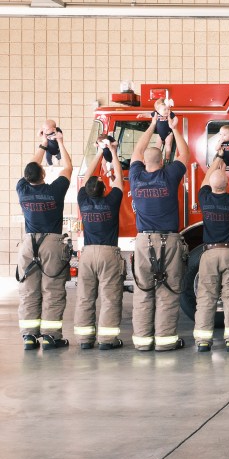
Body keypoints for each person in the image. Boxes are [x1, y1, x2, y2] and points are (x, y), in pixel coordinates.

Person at [129, 112, 190, 351]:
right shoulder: (169, 175)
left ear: (144, 163)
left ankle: (143, 342)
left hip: (143, 243)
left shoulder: (135, 176)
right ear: (163, 163)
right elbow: (185, 155)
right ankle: (165, 342)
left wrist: (153, 124)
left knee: (143, 292)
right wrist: (174, 128)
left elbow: (137, 150)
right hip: (169, 242)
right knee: (168, 291)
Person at [16, 131, 74, 350]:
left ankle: (29, 337)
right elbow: (67, 168)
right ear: (43, 174)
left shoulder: (21, 189)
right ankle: (51, 337)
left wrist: (43, 145)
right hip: (51, 244)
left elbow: (31, 165)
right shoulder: (54, 191)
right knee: (53, 290)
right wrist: (59, 141)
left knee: (29, 291)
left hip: (28, 244)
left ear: (27, 177)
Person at [193, 147, 229, 353]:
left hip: (209, 253)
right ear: (227, 186)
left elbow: (206, 180)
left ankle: (203, 341)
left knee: (206, 296)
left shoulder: (204, 197)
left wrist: (218, 157)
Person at [73, 141, 125, 350]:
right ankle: (107, 341)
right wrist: (112, 152)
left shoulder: (83, 201)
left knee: (85, 297)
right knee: (110, 298)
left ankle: (85, 340)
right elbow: (120, 180)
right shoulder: (111, 201)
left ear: (87, 191)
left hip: (87, 255)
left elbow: (86, 178)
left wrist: (97, 154)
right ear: (105, 190)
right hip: (108, 254)